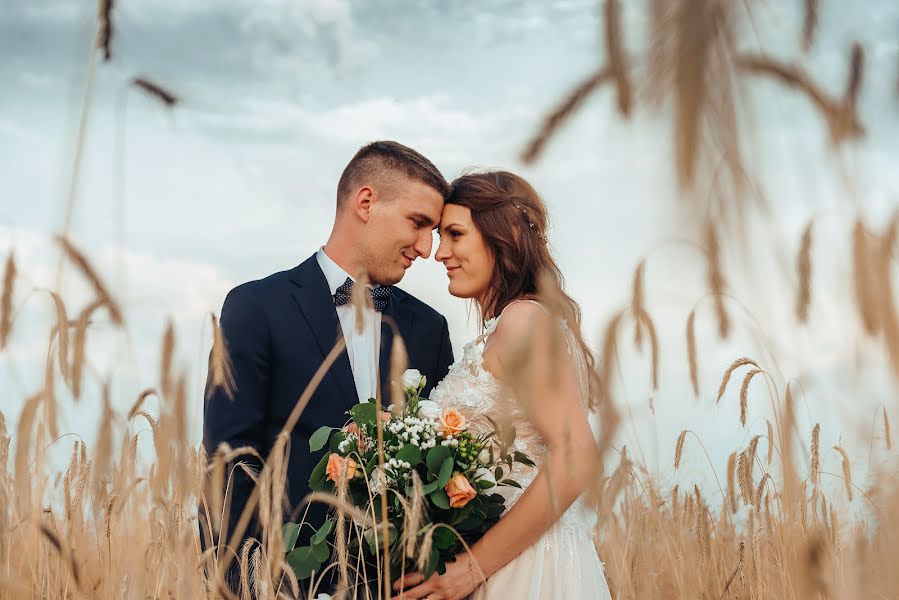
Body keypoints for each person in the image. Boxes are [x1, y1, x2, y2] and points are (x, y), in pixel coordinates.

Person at [200, 141, 456, 595]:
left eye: (434, 232)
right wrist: (241, 587)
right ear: (366, 202)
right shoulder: (255, 308)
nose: (426, 248)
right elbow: (228, 464)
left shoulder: (429, 330)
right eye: (418, 224)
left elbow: (442, 472)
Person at [393, 171, 611, 600]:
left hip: (527, 572)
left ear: (504, 236)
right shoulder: (511, 326)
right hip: (502, 561)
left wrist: (470, 569)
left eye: (455, 234)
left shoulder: (524, 323)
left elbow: (577, 456)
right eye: (441, 236)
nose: (441, 253)